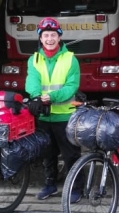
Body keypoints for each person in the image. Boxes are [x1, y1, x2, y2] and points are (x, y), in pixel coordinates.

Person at [25, 17, 81, 202]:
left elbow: (71, 86)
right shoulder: (34, 59)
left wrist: (52, 97)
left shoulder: (70, 58)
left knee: (71, 154)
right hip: (45, 115)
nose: (49, 39)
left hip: (65, 114)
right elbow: (32, 80)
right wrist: (35, 96)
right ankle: (50, 185)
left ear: (59, 37)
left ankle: (75, 188)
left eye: (53, 35)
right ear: (40, 38)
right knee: (47, 154)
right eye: (46, 35)